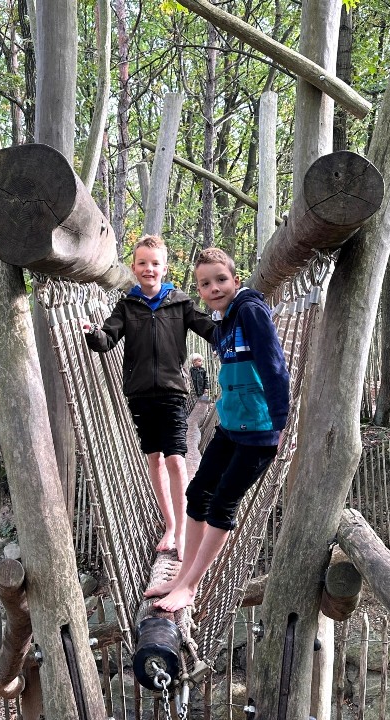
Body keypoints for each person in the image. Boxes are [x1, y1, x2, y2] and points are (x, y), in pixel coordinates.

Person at [147, 247, 289, 612]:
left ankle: (190, 586)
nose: (214, 288)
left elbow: (274, 366)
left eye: (221, 280)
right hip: (230, 427)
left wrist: (282, 421)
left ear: (236, 280)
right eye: (205, 284)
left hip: (258, 431)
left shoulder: (251, 312)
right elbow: (192, 319)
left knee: (223, 500)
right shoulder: (223, 322)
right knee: (198, 493)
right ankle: (181, 575)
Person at [83, 235, 215, 556]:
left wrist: (236, 323)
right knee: (154, 459)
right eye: (142, 263)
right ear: (134, 266)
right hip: (140, 395)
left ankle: (182, 533)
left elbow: (209, 328)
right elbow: (108, 337)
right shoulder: (127, 306)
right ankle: (170, 526)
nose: (149, 269)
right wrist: (93, 334)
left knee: (176, 460)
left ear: (165, 268)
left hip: (172, 392)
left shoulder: (179, 303)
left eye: (155, 264)